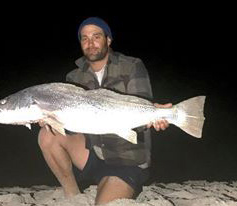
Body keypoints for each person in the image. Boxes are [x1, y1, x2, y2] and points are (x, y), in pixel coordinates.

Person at [38, 17, 171, 205]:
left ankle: (114, 184)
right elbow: (75, 125)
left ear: (108, 40)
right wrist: (53, 120)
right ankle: (73, 196)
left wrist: (153, 117)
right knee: (47, 134)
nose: (90, 43)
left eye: (96, 36)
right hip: (94, 154)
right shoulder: (74, 76)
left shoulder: (132, 65)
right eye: (84, 38)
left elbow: (142, 102)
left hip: (127, 159)